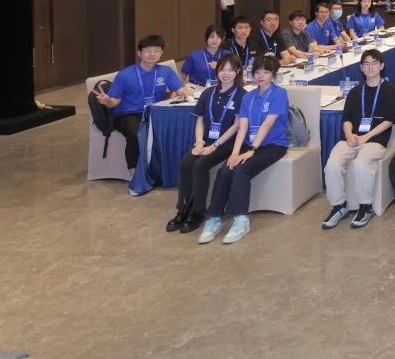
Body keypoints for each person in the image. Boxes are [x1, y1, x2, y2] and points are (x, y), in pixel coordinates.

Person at [198, 53, 290, 244]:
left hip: (273, 145)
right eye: (257, 72)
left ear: (274, 74)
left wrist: (252, 150)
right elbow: (243, 127)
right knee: (226, 168)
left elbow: (267, 124)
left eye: (266, 72)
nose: (260, 76)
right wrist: (234, 153)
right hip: (249, 144)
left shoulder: (279, 94)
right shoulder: (248, 97)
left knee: (241, 170)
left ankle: (241, 220)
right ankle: (214, 218)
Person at [91, 34, 188, 194]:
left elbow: (180, 89)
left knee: (173, 129)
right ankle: (135, 175)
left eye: (156, 50)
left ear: (162, 53)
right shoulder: (125, 74)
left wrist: (182, 93)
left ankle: (165, 172)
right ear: (139, 53)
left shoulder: (165, 71)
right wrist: (107, 101)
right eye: (148, 50)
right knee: (136, 134)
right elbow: (115, 102)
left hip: (154, 113)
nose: (152, 54)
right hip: (128, 114)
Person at [322, 48, 395, 230]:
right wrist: (349, 135)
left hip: (375, 140)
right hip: (351, 139)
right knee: (332, 166)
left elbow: (389, 121)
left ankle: (366, 206)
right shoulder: (355, 92)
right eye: (366, 63)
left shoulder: (390, 91)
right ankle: (339, 206)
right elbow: (346, 118)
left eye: (374, 63)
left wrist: (366, 136)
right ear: (361, 67)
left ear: (382, 66)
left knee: (360, 164)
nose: (370, 67)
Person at [168, 53, 245, 234]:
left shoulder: (242, 95)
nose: (225, 74)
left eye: (230, 70)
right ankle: (183, 209)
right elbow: (200, 119)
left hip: (227, 143)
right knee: (186, 165)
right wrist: (199, 142)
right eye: (222, 69)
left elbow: (236, 125)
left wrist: (214, 146)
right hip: (205, 141)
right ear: (216, 71)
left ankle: (197, 212)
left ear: (238, 72)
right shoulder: (208, 92)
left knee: (200, 165)